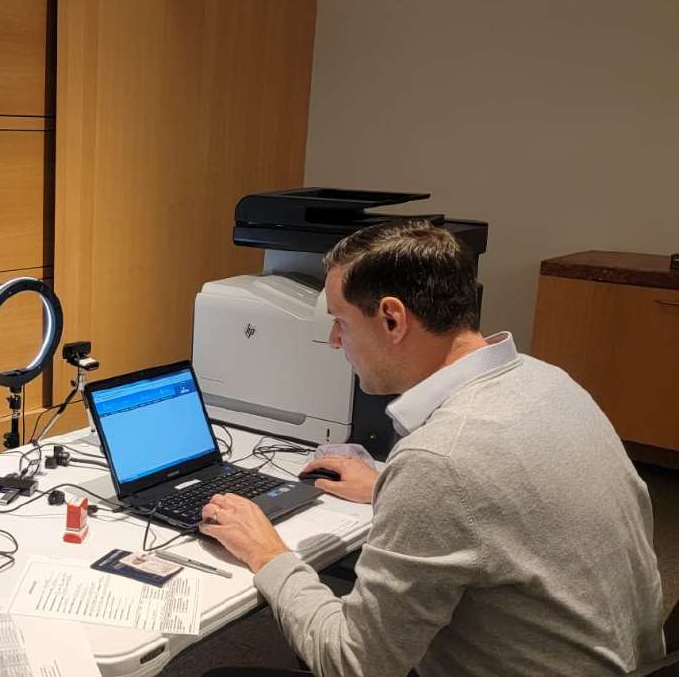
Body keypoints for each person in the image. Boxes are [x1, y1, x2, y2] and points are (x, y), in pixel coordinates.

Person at [200, 220, 665, 675]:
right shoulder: (550, 383)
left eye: (341, 321)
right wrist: (388, 487)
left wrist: (268, 553)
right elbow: (501, 504)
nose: (334, 339)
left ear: (392, 319)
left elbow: (356, 664)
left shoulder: (439, 463)